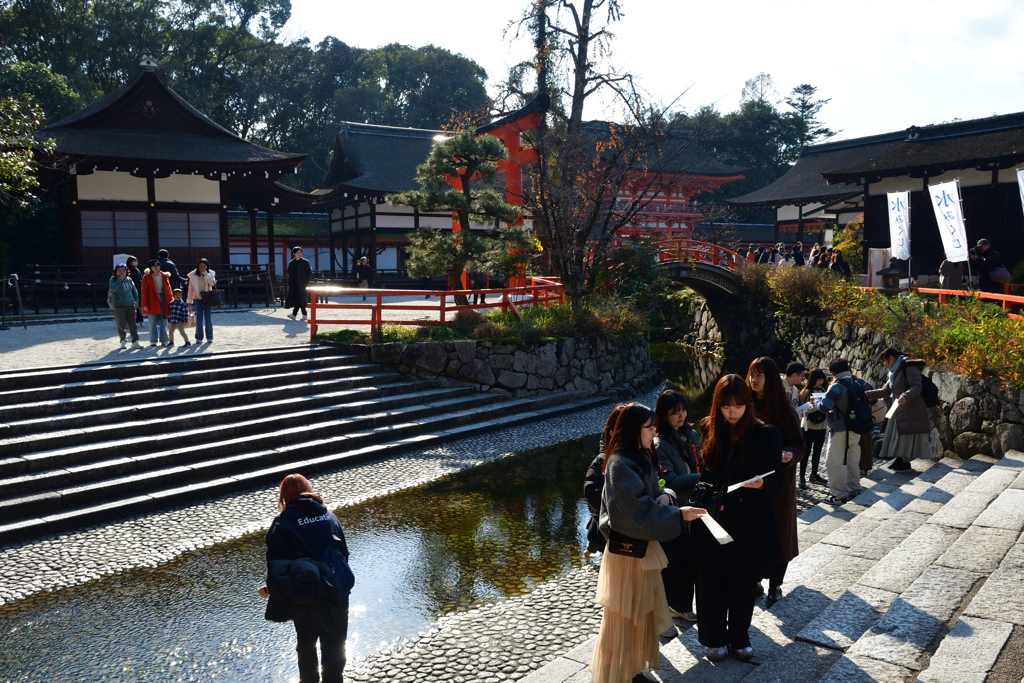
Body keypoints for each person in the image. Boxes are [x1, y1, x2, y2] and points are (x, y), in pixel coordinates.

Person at [589, 403, 706, 683]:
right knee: (624, 617)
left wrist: (668, 498)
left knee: (641, 615)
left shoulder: (639, 455)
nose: (655, 432)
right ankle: (616, 674)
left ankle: (632, 669)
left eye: (655, 427)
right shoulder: (620, 462)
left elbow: (655, 491)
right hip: (627, 553)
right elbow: (632, 512)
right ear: (633, 430)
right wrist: (677, 513)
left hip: (641, 550)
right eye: (649, 428)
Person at [693, 375, 783, 662]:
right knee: (711, 582)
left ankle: (739, 637)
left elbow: (777, 477)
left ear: (747, 404)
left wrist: (763, 485)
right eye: (726, 406)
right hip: (713, 520)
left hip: (749, 519)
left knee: (743, 582)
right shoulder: (709, 427)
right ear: (718, 405)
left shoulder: (765, 433)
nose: (732, 412)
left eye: (738, 405)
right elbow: (706, 475)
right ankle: (714, 638)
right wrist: (698, 503)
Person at [259, 474, 350, 683]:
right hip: (335, 592)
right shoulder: (329, 515)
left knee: (307, 650)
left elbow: (276, 565)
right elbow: (343, 555)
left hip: (305, 597)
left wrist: (270, 588)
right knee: (335, 649)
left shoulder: (282, 523)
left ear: (284, 496)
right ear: (308, 488)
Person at [746, 358, 805, 608]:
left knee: (779, 533)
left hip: (779, 483)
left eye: (760, 375)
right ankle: (754, 579)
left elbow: (798, 444)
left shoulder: (783, 408)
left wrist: (790, 454)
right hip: (749, 481)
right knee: (752, 533)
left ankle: (776, 584)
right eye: (751, 375)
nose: (754, 380)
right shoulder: (743, 404)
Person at [653, 390, 702, 623]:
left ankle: (683, 603)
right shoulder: (660, 443)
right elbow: (669, 481)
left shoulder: (690, 434)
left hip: (697, 504)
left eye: (683, 410)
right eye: (674, 413)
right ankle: (676, 605)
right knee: (677, 561)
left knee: (692, 558)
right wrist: (704, 477)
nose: (681, 416)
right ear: (663, 416)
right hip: (677, 510)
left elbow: (702, 460)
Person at [815, 359, 870, 504]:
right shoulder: (858, 383)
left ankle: (839, 495)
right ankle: (854, 489)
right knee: (852, 459)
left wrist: (815, 402)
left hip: (839, 429)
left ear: (833, 373)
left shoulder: (836, 387)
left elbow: (824, 407)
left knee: (835, 462)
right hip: (856, 428)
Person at [867, 348, 931, 472]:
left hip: (910, 407)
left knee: (903, 435)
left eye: (885, 361)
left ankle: (904, 462)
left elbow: (916, 386)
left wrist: (905, 396)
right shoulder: (895, 371)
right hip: (898, 407)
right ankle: (900, 459)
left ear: (891, 358)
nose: (885, 365)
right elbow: (885, 391)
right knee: (894, 433)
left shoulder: (909, 367)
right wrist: (866, 394)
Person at [583, 404, 627, 559]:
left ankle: (590, 549)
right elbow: (592, 490)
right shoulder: (604, 459)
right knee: (597, 527)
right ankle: (590, 550)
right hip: (610, 524)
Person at [799, 368, 829, 489]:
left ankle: (814, 474)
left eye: (822, 379)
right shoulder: (806, 392)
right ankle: (802, 477)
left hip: (822, 426)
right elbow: (803, 409)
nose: (820, 382)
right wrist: (815, 404)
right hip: (808, 426)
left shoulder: (825, 391)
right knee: (805, 453)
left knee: (817, 451)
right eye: (818, 379)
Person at [108, 263, 141, 349]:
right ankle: (123, 340)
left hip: (131, 304)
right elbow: (113, 289)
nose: (122, 272)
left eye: (123, 270)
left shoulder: (129, 280)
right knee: (121, 323)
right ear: (116, 272)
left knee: (133, 324)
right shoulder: (113, 279)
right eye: (119, 271)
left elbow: (134, 291)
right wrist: (119, 279)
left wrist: (136, 300)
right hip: (119, 304)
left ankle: (135, 341)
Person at [141, 259, 171, 347]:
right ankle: (153, 341)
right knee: (152, 321)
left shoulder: (164, 275)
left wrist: (170, 301)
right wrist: (144, 304)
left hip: (163, 298)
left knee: (163, 320)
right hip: (151, 300)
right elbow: (144, 291)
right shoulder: (146, 277)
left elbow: (168, 290)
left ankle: (164, 340)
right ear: (150, 267)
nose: (156, 267)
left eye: (158, 266)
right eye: (154, 266)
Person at [186, 258, 217, 343]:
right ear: (198, 266)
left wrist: (205, 274)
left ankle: (209, 337)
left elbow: (212, 283)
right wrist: (189, 301)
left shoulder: (211, 273)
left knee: (208, 318)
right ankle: (199, 337)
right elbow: (190, 288)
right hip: (197, 298)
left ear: (207, 266)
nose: (202, 267)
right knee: (199, 318)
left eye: (204, 266)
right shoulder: (193, 275)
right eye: (200, 266)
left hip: (208, 298)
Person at [286, 246, 313, 320]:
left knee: (299, 298)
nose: (299, 254)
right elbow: (289, 273)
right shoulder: (291, 263)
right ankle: (304, 314)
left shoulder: (305, 262)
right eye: (298, 252)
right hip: (294, 284)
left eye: (300, 252)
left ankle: (294, 314)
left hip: (302, 284)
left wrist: (306, 282)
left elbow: (309, 273)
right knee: (299, 299)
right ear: (294, 253)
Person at [125, 256, 145, 325]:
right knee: (135, 305)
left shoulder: (126, 270)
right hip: (135, 289)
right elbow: (138, 281)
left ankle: (138, 319)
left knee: (132, 305)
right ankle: (139, 319)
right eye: (135, 261)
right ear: (131, 262)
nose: (136, 263)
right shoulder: (135, 270)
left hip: (127, 289)